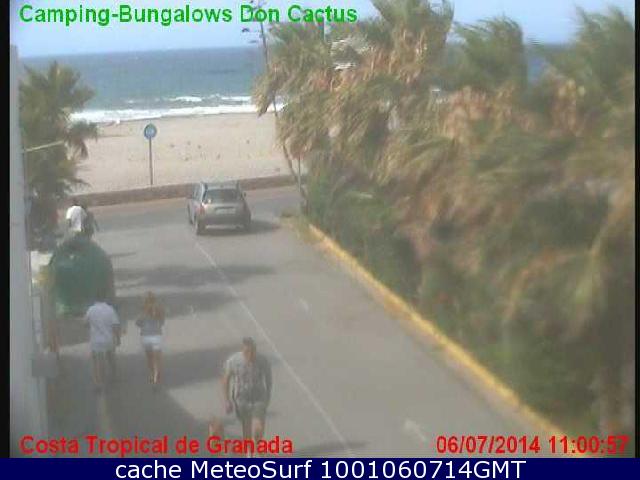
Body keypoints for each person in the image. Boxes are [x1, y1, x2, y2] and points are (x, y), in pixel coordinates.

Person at [222, 337, 272, 454]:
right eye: (247, 352)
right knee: (247, 429)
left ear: (255, 350)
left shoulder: (262, 360)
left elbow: (268, 378)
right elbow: (226, 380)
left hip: (258, 397)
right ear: (242, 351)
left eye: (252, 351)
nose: (250, 355)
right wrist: (227, 400)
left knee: (258, 428)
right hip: (241, 399)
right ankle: (249, 454)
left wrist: (268, 395)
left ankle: (259, 448)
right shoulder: (234, 361)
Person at [84, 289, 121, 392]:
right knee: (111, 357)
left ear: (95, 298)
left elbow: (85, 323)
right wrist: (118, 338)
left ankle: (98, 382)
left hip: (96, 340)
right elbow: (115, 325)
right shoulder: (110, 309)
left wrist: (91, 326)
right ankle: (113, 375)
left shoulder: (91, 309)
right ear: (105, 298)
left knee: (96, 362)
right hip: (108, 339)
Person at [135, 292, 165, 389]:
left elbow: (138, 323)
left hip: (146, 337)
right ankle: (156, 378)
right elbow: (162, 322)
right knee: (157, 359)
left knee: (150, 359)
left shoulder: (143, 311)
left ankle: (152, 375)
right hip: (156, 336)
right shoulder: (159, 310)